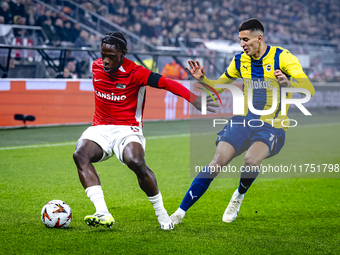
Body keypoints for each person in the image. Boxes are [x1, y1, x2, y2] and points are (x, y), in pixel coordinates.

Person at [170, 18, 315, 225]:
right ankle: (179, 213)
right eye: (240, 39)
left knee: (251, 160)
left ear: (259, 38)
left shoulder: (283, 58)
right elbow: (218, 87)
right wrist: (202, 79)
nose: (242, 44)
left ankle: (238, 196)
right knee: (216, 162)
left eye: (245, 39)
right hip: (244, 121)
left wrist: (288, 82)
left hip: (272, 126)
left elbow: (308, 89)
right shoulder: (239, 61)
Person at [72, 31, 217, 230]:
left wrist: (194, 99)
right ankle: (102, 212)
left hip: (128, 128)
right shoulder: (96, 66)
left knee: (136, 161)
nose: (105, 61)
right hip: (100, 127)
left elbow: (166, 83)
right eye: (103, 55)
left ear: (123, 53)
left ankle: (161, 213)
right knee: (80, 154)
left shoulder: (136, 72)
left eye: (111, 57)